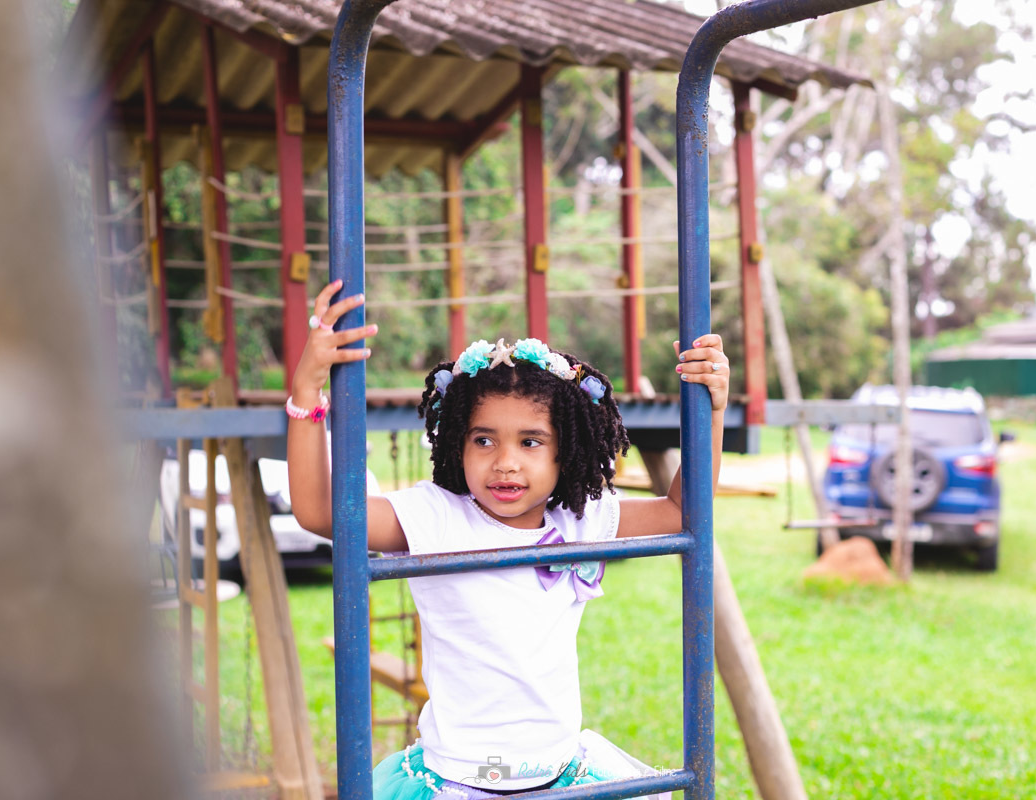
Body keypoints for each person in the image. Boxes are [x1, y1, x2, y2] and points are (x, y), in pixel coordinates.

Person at [287, 280, 728, 798]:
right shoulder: (436, 517)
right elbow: (319, 512)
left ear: (565, 451)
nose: (506, 461)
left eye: (531, 441)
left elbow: (682, 508)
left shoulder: (580, 520)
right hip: (454, 782)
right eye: (484, 440)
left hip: (560, 777)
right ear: (457, 442)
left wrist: (712, 409)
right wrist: (306, 391)